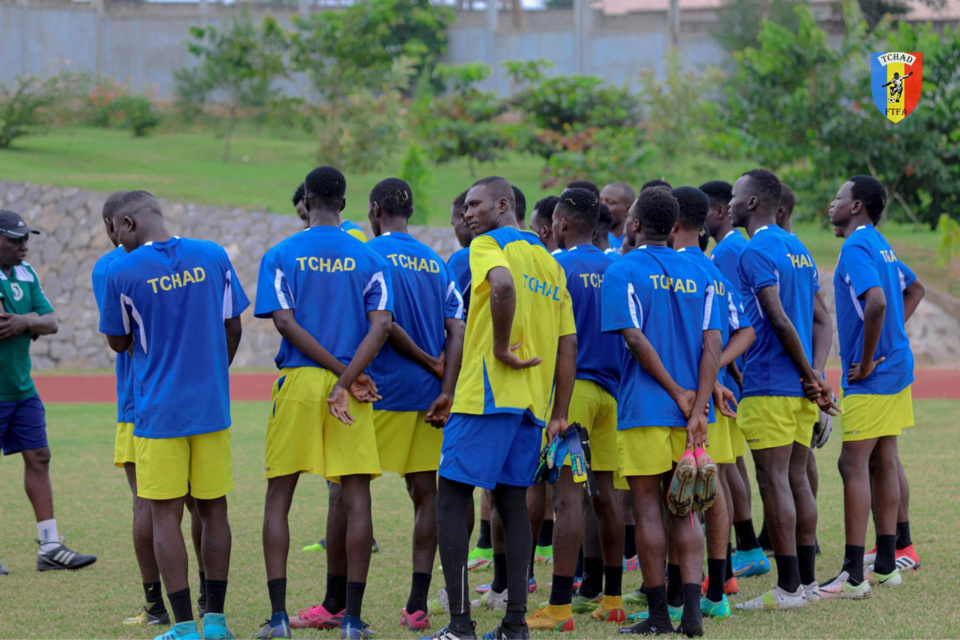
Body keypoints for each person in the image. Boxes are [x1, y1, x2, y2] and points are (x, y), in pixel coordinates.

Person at [427, 176, 577, 640]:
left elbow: (504, 285)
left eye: (476, 205)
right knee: (513, 504)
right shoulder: (551, 264)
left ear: (503, 204)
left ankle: (459, 625)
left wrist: (500, 347)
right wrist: (558, 411)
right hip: (532, 404)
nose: (468, 213)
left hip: (486, 395)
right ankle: (515, 623)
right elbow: (568, 343)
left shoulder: (489, 245)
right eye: (466, 206)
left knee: (452, 495)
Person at [99, 190, 248, 640]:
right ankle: (217, 622)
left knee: (165, 515)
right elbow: (233, 325)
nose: (113, 241)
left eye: (112, 231)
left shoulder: (120, 271)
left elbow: (119, 343)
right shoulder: (214, 254)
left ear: (125, 224)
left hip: (159, 413)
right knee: (214, 509)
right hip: (212, 409)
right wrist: (211, 376)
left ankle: (183, 626)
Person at [253, 167, 392, 640]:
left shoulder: (280, 253)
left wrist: (336, 376)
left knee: (279, 498)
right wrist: (347, 378)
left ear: (307, 199)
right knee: (356, 497)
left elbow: (286, 325)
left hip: (299, 384)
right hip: (352, 388)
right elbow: (381, 327)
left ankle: (277, 619)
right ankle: (351, 621)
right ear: (346, 201)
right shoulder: (368, 256)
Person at [601, 187, 721, 637]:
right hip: (690, 415)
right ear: (673, 227)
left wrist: (676, 392)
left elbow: (633, 338)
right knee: (685, 513)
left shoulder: (623, 269)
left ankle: (657, 617)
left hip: (645, 409)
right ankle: (691, 617)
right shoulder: (702, 272)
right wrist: (698, 404)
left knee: (649, 510)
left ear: (633, 225)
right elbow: (713, 343)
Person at [728, 169, 837, 612]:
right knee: (796, 478)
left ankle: (789, 589)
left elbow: (776, 318)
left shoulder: (756, 249)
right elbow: (821, 320)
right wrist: (814, 375)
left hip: (770, 383)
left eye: (735, 195)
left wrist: (811, 375)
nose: (730, 202)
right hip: (796, 389)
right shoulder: (799, 249)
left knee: (774, 482)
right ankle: (807, 584)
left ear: (753, 202)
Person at [365, 178, 466, 630]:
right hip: (429, 400)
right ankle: (417, 604)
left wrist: (427, 361)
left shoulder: (369, 256)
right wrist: (445, 383)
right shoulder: (435, 261)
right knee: (427, 497)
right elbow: (457, 330)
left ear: (374, 211)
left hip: (381, 393)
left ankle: (343, 605)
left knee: (348, 492)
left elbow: (382, 324)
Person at [524, 188, 626, 631]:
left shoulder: (555, 266)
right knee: (605, 497)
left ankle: (560, 606)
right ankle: (614, 598)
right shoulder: (618, 267)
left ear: (561, 225)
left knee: (566, 501)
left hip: (574, 394)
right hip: (614, 396)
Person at [820, 176, 924, 597]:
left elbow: (878, 301)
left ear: (858, 205)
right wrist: (894, 335)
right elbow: (913, 289)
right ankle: (885, 564)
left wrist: (863, 359)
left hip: (874, 375)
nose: (832, 203)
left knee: (852, 464)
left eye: (839, 197)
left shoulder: (857, 246)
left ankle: (853, 574)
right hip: (897, 367)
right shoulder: (880, 243)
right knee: (883, 458)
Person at [669, 187, 755, 620]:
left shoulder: (663, 269)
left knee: (675, 491)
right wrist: (716, 373)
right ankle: (716, 589)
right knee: (712, 485)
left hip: (675, 398)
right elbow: (746, 331)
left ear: (671, 223)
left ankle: (682, 591)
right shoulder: (712, 271)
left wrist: (710, 374)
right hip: (707, 394)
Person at [0, 210, 96, 576]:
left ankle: (50, 546)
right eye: (14, 239)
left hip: (22, 388)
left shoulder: (26, 273)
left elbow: (50, 321)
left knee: (39, 456)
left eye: (26, 238)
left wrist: (26, 321)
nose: (24, 245)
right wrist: (31, 322)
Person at [92, 191, 171, 625]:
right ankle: (205, 606)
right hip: (193, 402)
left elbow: (118, 339)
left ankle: (157, 607)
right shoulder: (194, 258)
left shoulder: (111, 267)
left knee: (146, 504)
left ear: (116, 225)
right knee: (202, 504)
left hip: (137, 403)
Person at [699, 179, 766, 576]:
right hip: (731, 371)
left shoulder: (726, 251)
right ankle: (747, 547)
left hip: (723, 374)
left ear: (721, 212)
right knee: (731, 464)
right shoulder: (737, 247)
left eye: (707, 210)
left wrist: (728, 367)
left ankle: (742, 550)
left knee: (725, 468)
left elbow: (726, 317)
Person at [292, 183, 367, 241]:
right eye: (302, 219)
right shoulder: (313, 237)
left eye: (306, 217)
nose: (305, 225)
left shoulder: (353, 234)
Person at [599, 182, 635, 252]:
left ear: (628, 209)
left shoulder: (635, 242)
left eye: (609, 202)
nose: (601, 206)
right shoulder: (594, 240)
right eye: (600, 201)